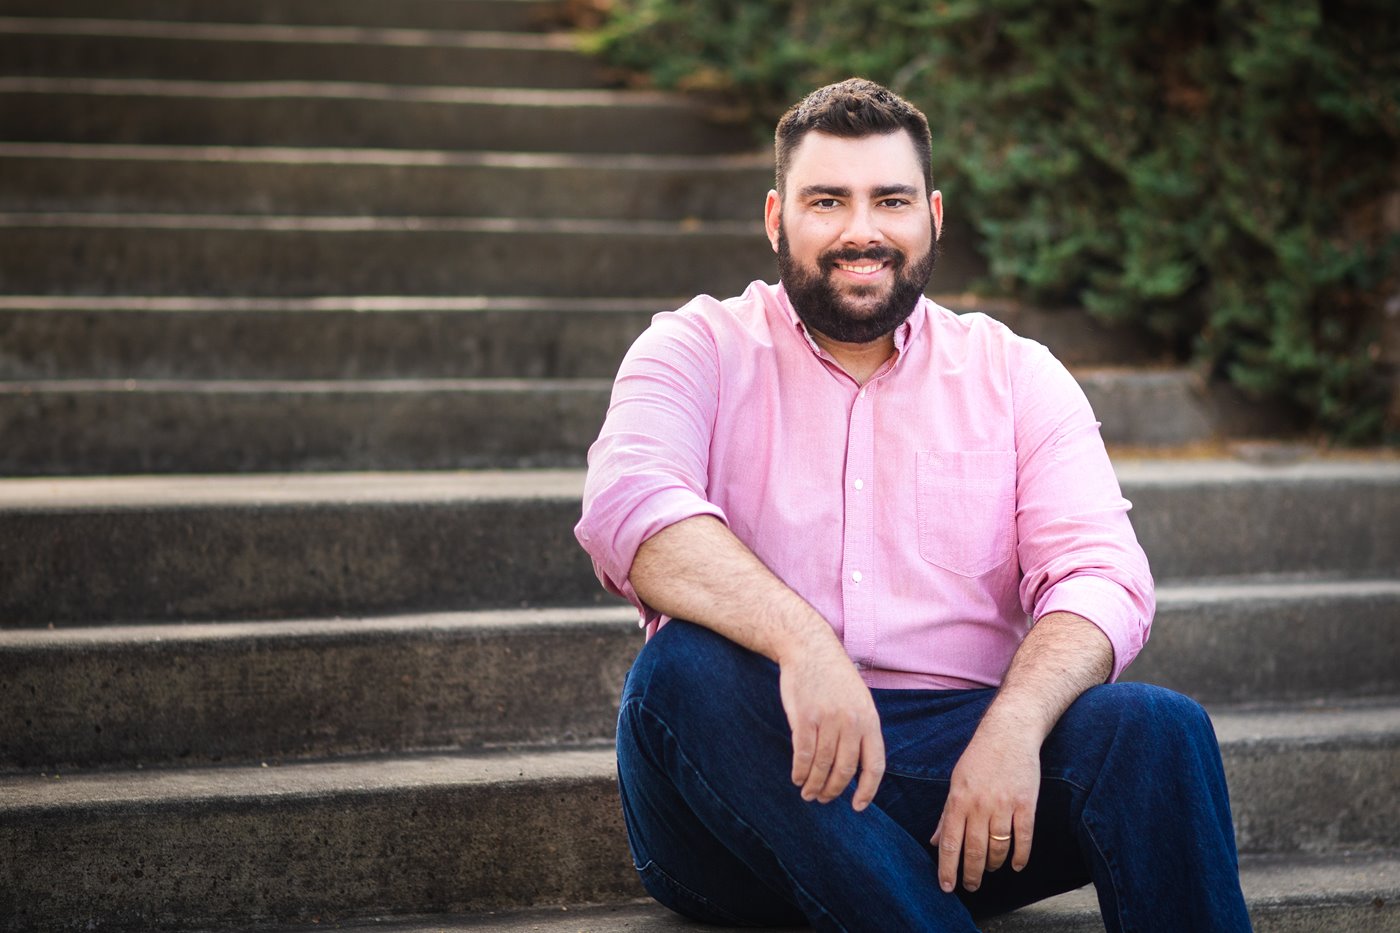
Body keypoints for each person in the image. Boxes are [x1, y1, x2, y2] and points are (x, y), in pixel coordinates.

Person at [575, 78, 1251, 932]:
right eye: (829, 201)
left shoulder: (1015, 373)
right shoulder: (695, 347)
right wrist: (803, 642)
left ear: (932, 215)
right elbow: (629, 507)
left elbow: (1103, 575)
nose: (863, 230)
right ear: (777, 217)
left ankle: (894, 895)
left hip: (959, 779)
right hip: (752, 775)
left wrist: (1013, 725)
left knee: (1159, 731)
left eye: (889, 200)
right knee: (682, 673)